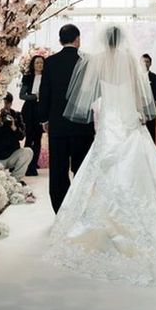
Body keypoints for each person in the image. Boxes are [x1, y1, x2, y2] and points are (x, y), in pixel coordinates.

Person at [45, 25, 156, 287]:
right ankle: (142, 220)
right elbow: (140, 93)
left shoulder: (96, 62)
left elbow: (88, 96)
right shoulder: (131, 61)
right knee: (142, 171)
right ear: (122, 42)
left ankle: (105, 222)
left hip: (109, 122)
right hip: (128, 120)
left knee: (105, 171)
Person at [39, 24, 94, 213]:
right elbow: (94, 94)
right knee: (82, 169)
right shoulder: (87, 62)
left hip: (58, 125)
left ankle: (60, 210)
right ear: (78, 39)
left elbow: (44, 92)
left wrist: (44, 119)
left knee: (58, 170)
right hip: (83, 125)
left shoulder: (51, 62)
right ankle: (81, 210)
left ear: (60, 40)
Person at [0, 92, 33, 183]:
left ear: (10, 104)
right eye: (2, 104)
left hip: (11, 155)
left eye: (7, 104)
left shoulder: (16, 115)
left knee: (28, 152)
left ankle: (14, 180)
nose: (4, 107)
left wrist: (14, 127)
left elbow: (22, 137)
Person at [20, 54, 45, 176]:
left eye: (41, 62)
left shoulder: (47, 77)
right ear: (33, 65)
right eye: (37, 63)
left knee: (38, 138)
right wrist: (35, 96)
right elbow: (22, 95)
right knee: (29, 137)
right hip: (29, 109)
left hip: (41, 110)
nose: (39, 65)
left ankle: (34, 164)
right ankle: (26, 164)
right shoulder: (27, 77)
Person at [141, 53, 156, 142]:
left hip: (151, 110)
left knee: (151, 133)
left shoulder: (155, 77)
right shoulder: (136, 77)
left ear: (150, 63)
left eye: (147, 61)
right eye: (143, 61)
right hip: (139, 110)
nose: (145, 63)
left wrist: (147, 102)